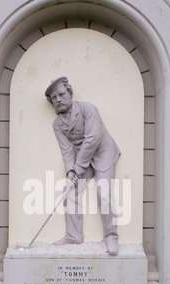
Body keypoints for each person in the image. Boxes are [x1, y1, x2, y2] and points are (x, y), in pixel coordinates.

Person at [45, 76, 120, 256]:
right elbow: (67, 150)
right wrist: (71, 171)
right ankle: (73, 235)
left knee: (104, 191)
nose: (59, 100)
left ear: (70, 93)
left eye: (61, 94)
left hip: (103, 153)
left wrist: (78, 167)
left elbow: (93, 139)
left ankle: (111, 236)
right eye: (54, 98)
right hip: (81, 160)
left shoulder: (88, 108)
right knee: (70, 190)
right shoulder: (57, 124)